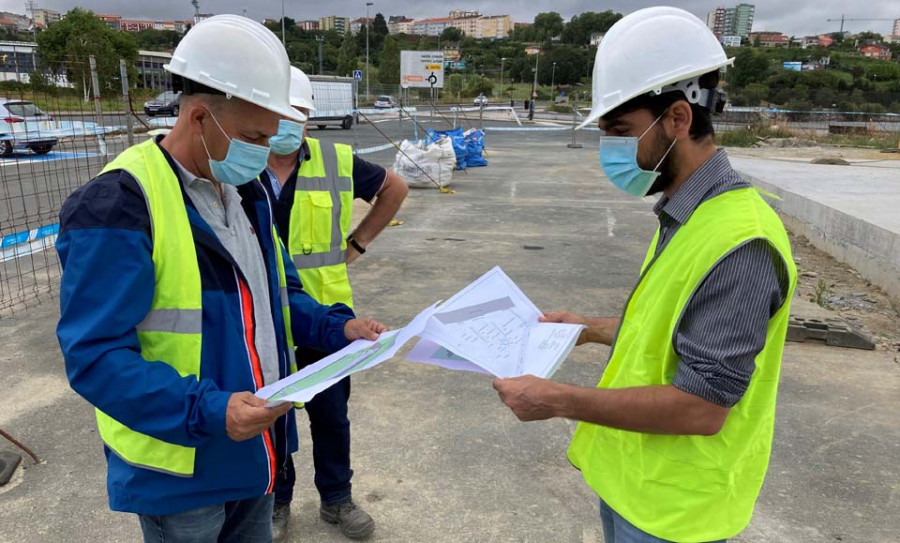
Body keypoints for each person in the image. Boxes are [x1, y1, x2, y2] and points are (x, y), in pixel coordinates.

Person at [55, 16, 386, 543]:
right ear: (202, 115)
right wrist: (207, 409)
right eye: (254, 136)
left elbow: (279, 296)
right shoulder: (119, 203)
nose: (263, 151)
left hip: (254, 451)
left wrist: (335, 329)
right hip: (181, 469)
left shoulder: (245, 193)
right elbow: (94, 357)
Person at [492, 7, 798, 543]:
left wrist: (558, 398)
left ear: (678, 119)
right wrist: (589, 327)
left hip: (676, 511)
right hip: (637, 484)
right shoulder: (689, 212)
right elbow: (673, 324)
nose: (611, 149)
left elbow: (703, 406)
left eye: (620, 131)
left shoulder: (740, 242)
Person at [260, 67, 408, 541]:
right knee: (270, 413)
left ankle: (336, 500)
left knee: (330, 414)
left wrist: (359, 243)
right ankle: (276, 500)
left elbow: (396, 187)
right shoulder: (237, 160)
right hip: (262, 317)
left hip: (327, 318)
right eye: (277, 113)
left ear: (308, 114)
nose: (288, 123)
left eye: (297, 113)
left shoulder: (335, 159)